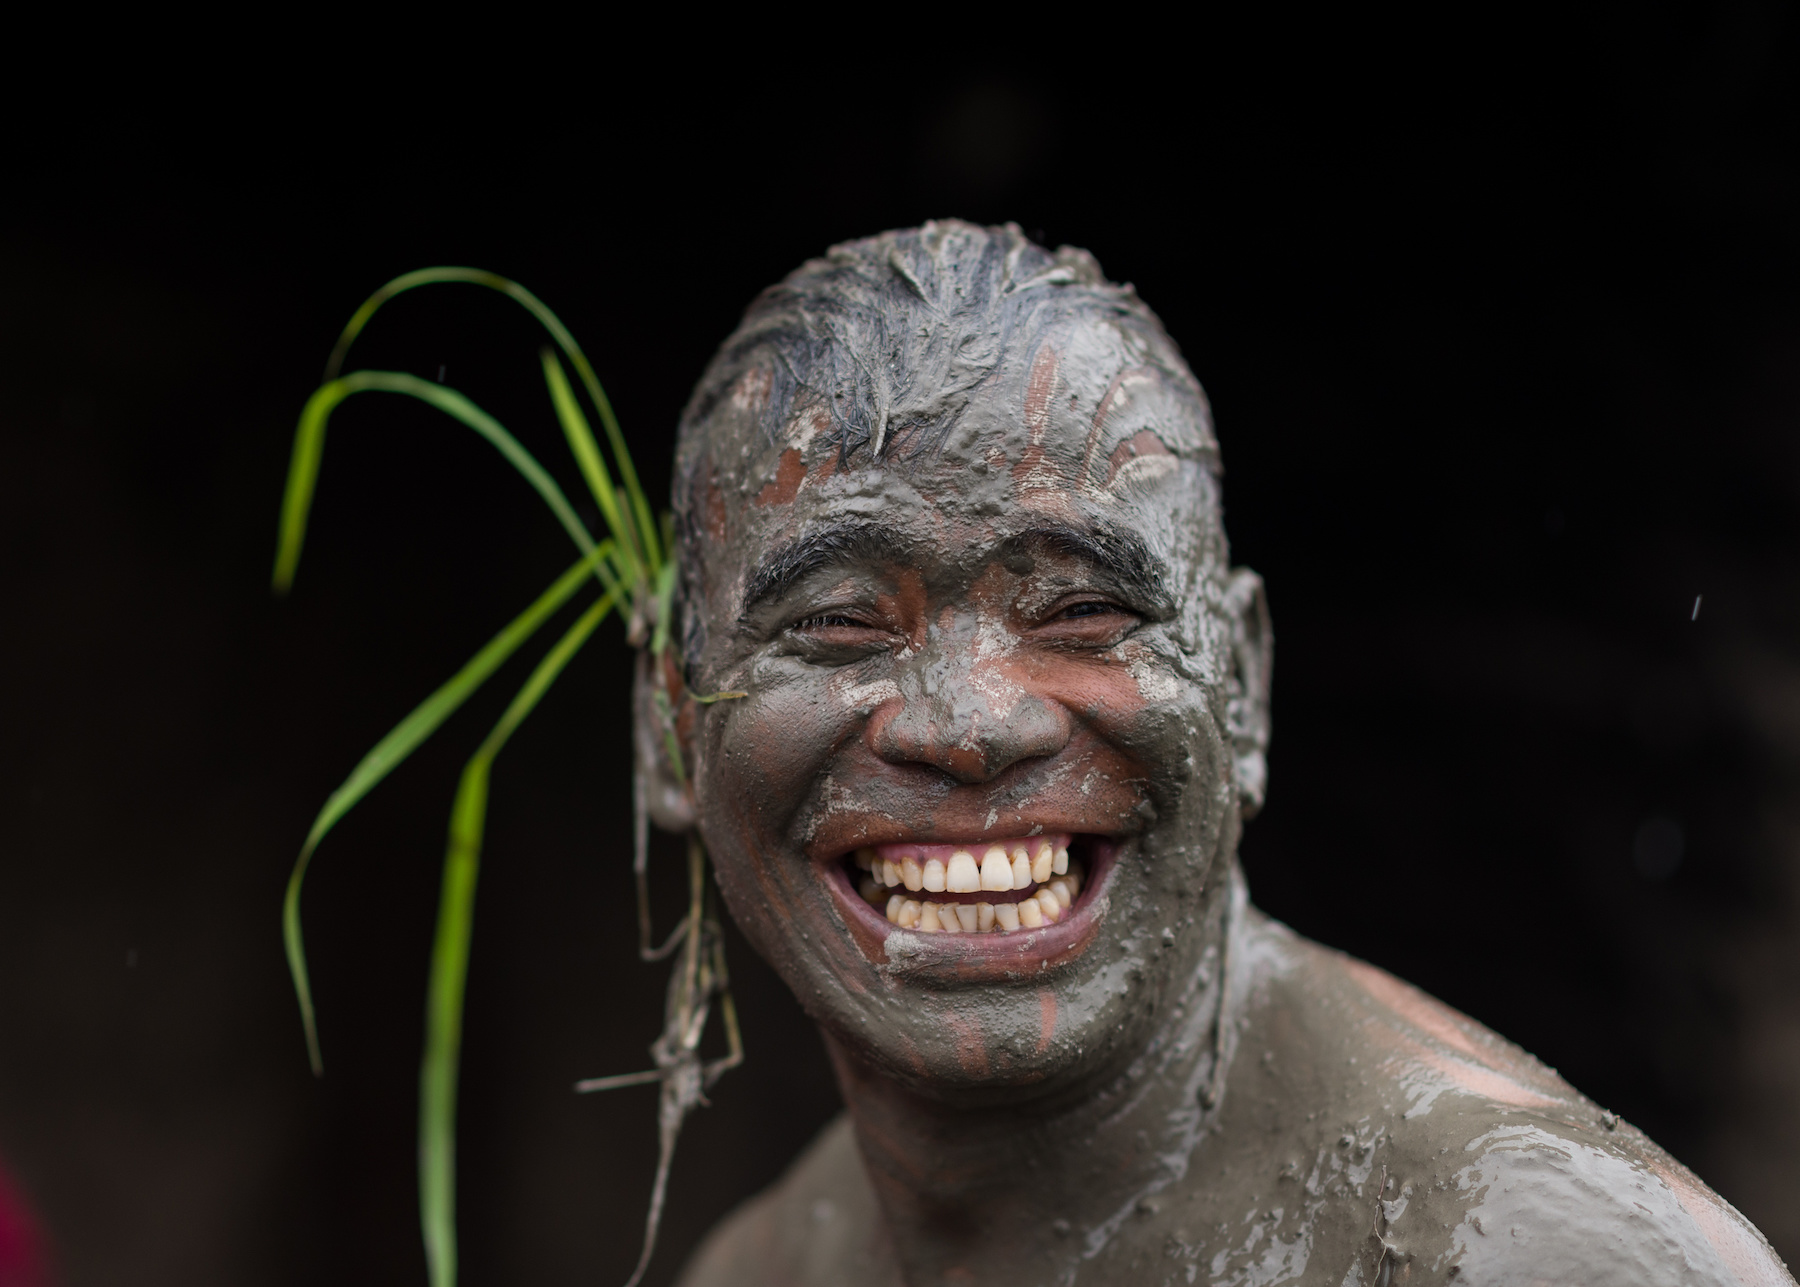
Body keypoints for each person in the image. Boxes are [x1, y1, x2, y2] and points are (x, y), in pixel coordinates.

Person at [637, 221, 1792, 1286]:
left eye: (1083, 609)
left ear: (1243, 685)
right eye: (839, 623)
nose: (971, 725)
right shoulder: (763, 1264)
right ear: (673, 727)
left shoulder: (1529, 1252)